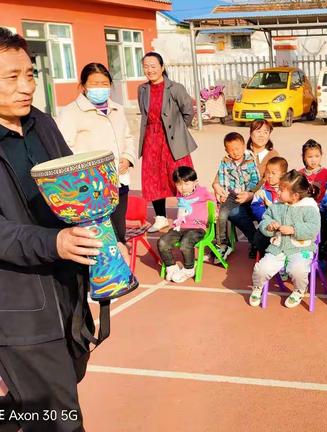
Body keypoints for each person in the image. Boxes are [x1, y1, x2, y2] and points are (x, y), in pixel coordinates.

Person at [0, 27, 104, 431]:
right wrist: (54, 241)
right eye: (12, 77)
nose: (26, 86)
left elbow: (73, 186)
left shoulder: (41, 123)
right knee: (59, 418)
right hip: (19, 309)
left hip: (67, 293)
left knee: (40, 402)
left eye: (30, 74)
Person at [56, 62, 135, 243]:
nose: (100, 88)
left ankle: (119, 270)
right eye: (94, 84)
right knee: (97, 236)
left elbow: (128, 137)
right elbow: (63, 149)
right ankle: (98, 271)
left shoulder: (118, 109)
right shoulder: (70, 113)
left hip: (119, 181)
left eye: (104, 84)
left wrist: (127, 158)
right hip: (92, 187)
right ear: (83, 86)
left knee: (118, 231)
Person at [138, 52, 197, 233]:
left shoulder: (175, 88)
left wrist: (178, 130)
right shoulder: (142, 89)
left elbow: (188, 111)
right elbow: (145, 114)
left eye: (153, 66)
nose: (150, 70)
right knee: (154, 179)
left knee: (180, 175)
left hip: (173, 139)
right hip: (151, 138)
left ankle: (185, 215)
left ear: (162, 67)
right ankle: (161, 218)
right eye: (146, 66)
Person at [249, 170, 320, 308]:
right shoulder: (276, 206)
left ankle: (299, 290)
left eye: (281, 190)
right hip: (278, 247)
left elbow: (313, 229)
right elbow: (265, 219)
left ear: (295, 196)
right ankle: (257, 287)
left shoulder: (309, 208)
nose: (278, 192)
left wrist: (294, 230)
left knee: (298, 270)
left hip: (301, 248)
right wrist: (269, 226)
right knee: (262, 268)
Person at [157, 166, 214, 283]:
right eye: (178, 184)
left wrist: (215, 212)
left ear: (195, 183)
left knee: (185, 243)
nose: (182, 188)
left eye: (186, 184)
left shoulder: (202, 191)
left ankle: (189, 269)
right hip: (180, 227)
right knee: (162, 242)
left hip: (197, 228)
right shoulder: (179, 194)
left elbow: (213, 200)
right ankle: (171, 267)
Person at [215, 132, 260, 259]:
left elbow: (255, 179)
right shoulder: (225, 162)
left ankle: (256, 242)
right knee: (222, 213)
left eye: (237, 148)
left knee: (253, 213)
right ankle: (222, 244)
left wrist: (248, 192)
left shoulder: (250, 160)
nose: (235, 152)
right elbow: (223, 177)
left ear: (244, 145)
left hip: (249, 194)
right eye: (231, 150)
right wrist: (223, 192)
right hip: (232, 195)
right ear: (226, 150)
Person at [213, 119, 278, 195]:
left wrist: (252, 194)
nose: (261, 135)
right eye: (258, 131)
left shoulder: (273, 155)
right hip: (235, 195)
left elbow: (271, 179)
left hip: (261, 196)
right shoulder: (240, 151)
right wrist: (216, 185)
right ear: (250, 133)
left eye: (266, 132)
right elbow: (223, 170)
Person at [251, 156, 288, 255]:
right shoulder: (262, 191)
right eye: (268, 172)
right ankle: (266, 254)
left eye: (273, 173)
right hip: (269, 224)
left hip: (285, 225)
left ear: (283, 175)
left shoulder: (288, 190)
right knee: (259, 238)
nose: (269, 175)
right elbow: (256, 206)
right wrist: (268, 220)